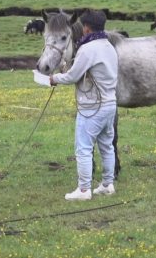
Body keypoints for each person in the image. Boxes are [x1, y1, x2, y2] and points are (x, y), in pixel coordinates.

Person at [50, 10, 118, 201]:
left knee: (83, 148)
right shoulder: (109, 46)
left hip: (92, 107)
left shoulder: (87, 49)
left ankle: (83, 190)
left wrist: (53, 78)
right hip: (110, 104)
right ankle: (107, 184)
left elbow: (73, 76)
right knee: (107, 146)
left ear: (86, 28)